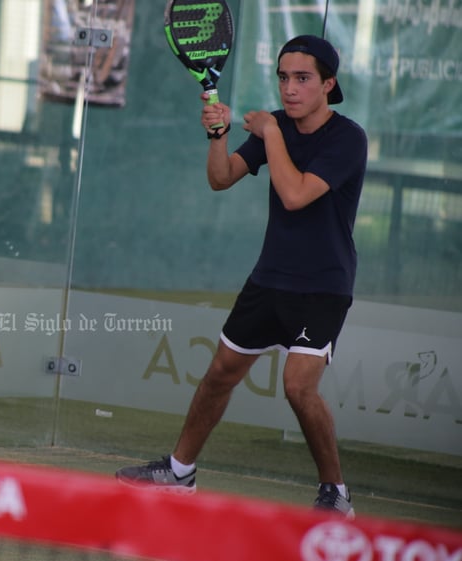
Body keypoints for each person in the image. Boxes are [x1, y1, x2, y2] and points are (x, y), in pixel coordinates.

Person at [116, 35, 367, 518]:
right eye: (283, 77)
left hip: (323, 286)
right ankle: (179, 472)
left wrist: (271, 132)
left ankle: (335, 494)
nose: (289, 88)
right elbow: (221, 177)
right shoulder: (277, 127)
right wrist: (218, 135)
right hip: (269, 279)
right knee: (218, 375)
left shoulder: (347, 138)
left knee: (298, 387)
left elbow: (295, 195)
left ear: (327, 84)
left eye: (302, 78)